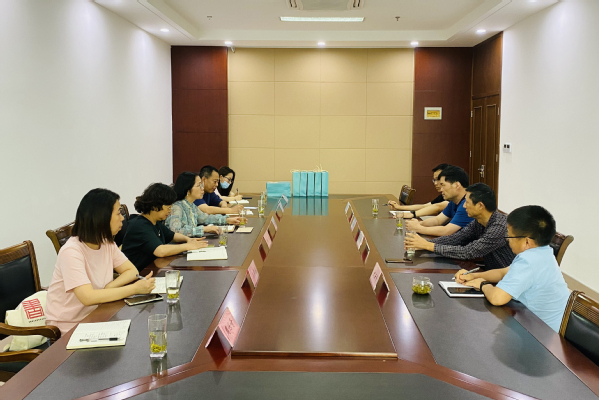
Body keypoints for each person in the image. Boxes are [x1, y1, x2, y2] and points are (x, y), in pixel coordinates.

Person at [45, 189, 156, 334]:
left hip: (99, 312)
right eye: (118, 213)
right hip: (70, 326)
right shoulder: (71, 251)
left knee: (141, 330)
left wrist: (110, 287)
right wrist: (134, 289)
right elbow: (88, 297)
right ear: (102, 217)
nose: (122, 218)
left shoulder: (106, 242)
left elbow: (131, 271)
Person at [454, 205, 569, 333]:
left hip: (540, 333)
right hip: (542, 325)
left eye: (510, 236)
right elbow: (503, 272)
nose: (508, 240)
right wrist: (474, 276)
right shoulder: (543, 252)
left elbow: (497, 298)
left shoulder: (528, 261)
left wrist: (482, 285)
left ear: (527, 242)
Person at [404, 183, 515, 270]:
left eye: (467, 202)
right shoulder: (478, 221)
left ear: (480, 205)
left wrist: (428, 245)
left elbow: (468, 252)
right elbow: (455, 238)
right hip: (491, 273)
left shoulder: (499, 226)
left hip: (507, 281)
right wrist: (423, 244)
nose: (464, 206)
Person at [122, 183, 208, 269]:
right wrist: (187, 246)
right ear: (155, 206)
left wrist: (188, 239)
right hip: (140, 272)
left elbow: (172, 235)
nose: (170, 211)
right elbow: (160, 251)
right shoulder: (140, 225)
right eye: (168, 208)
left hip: (153, 268)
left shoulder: (155, 222)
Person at [166, 171, 242, 237]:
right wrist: (204, 229)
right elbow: (175, 231)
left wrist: (227, 220)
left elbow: (206, 218)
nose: (202, 188)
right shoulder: (176, 207)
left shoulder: (191, 205)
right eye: (199, 185)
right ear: (188, 190)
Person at [405, 166, 474, 236]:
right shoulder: (453, 202)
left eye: (443, 185)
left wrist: (419, 228)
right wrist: (418, 224)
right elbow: (437, 220)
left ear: (457, 185)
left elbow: (447, 231)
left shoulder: (467, 204)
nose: (441, 190)